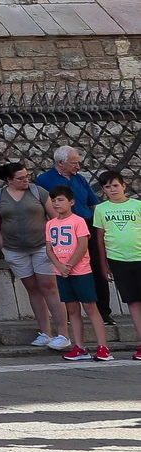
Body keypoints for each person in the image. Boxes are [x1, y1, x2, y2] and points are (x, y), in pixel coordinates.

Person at [0, 162, 65, 351]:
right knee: (33, 289)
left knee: (49, 287)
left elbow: (55, 218)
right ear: (9, 180)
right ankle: (45, 332)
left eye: (27, 176)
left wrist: (53, 243)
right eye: (20, 178)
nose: (26, 180)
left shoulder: (38, 192)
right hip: (15, 250)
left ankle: (63, 333)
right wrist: (3, 247)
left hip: (41, 247)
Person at [37, 146, 116, 333]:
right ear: (61, 162)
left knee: (96, 266)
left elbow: (93, 202)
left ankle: (103, 311)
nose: (78, 166)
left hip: (86, 223)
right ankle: (73, 312)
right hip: (63, 228)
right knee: (69, 269)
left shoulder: (79, 179)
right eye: (74, 163)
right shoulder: (45, 180)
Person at [46, 184, 110, 362]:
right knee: (72, 309)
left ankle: (103, 346)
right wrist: (60, 266)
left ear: (71, 202)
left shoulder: (78, 221)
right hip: (61, 272)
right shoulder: (50, 224)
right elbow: (50, 249)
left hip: (80, 271)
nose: (56, 204)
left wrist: (70, 265)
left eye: (60, 200)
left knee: (90, 307)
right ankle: (80, 346)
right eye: (53, 201)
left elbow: (82, 245)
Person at [93, 171, 141, 360]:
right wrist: (103, 263)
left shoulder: (137, 206)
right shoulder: (101, 209)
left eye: (115, 185)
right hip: (118, 259)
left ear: (124, 185)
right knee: (133, 302)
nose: (112, 190)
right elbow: (100, 238)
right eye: (107, 187)